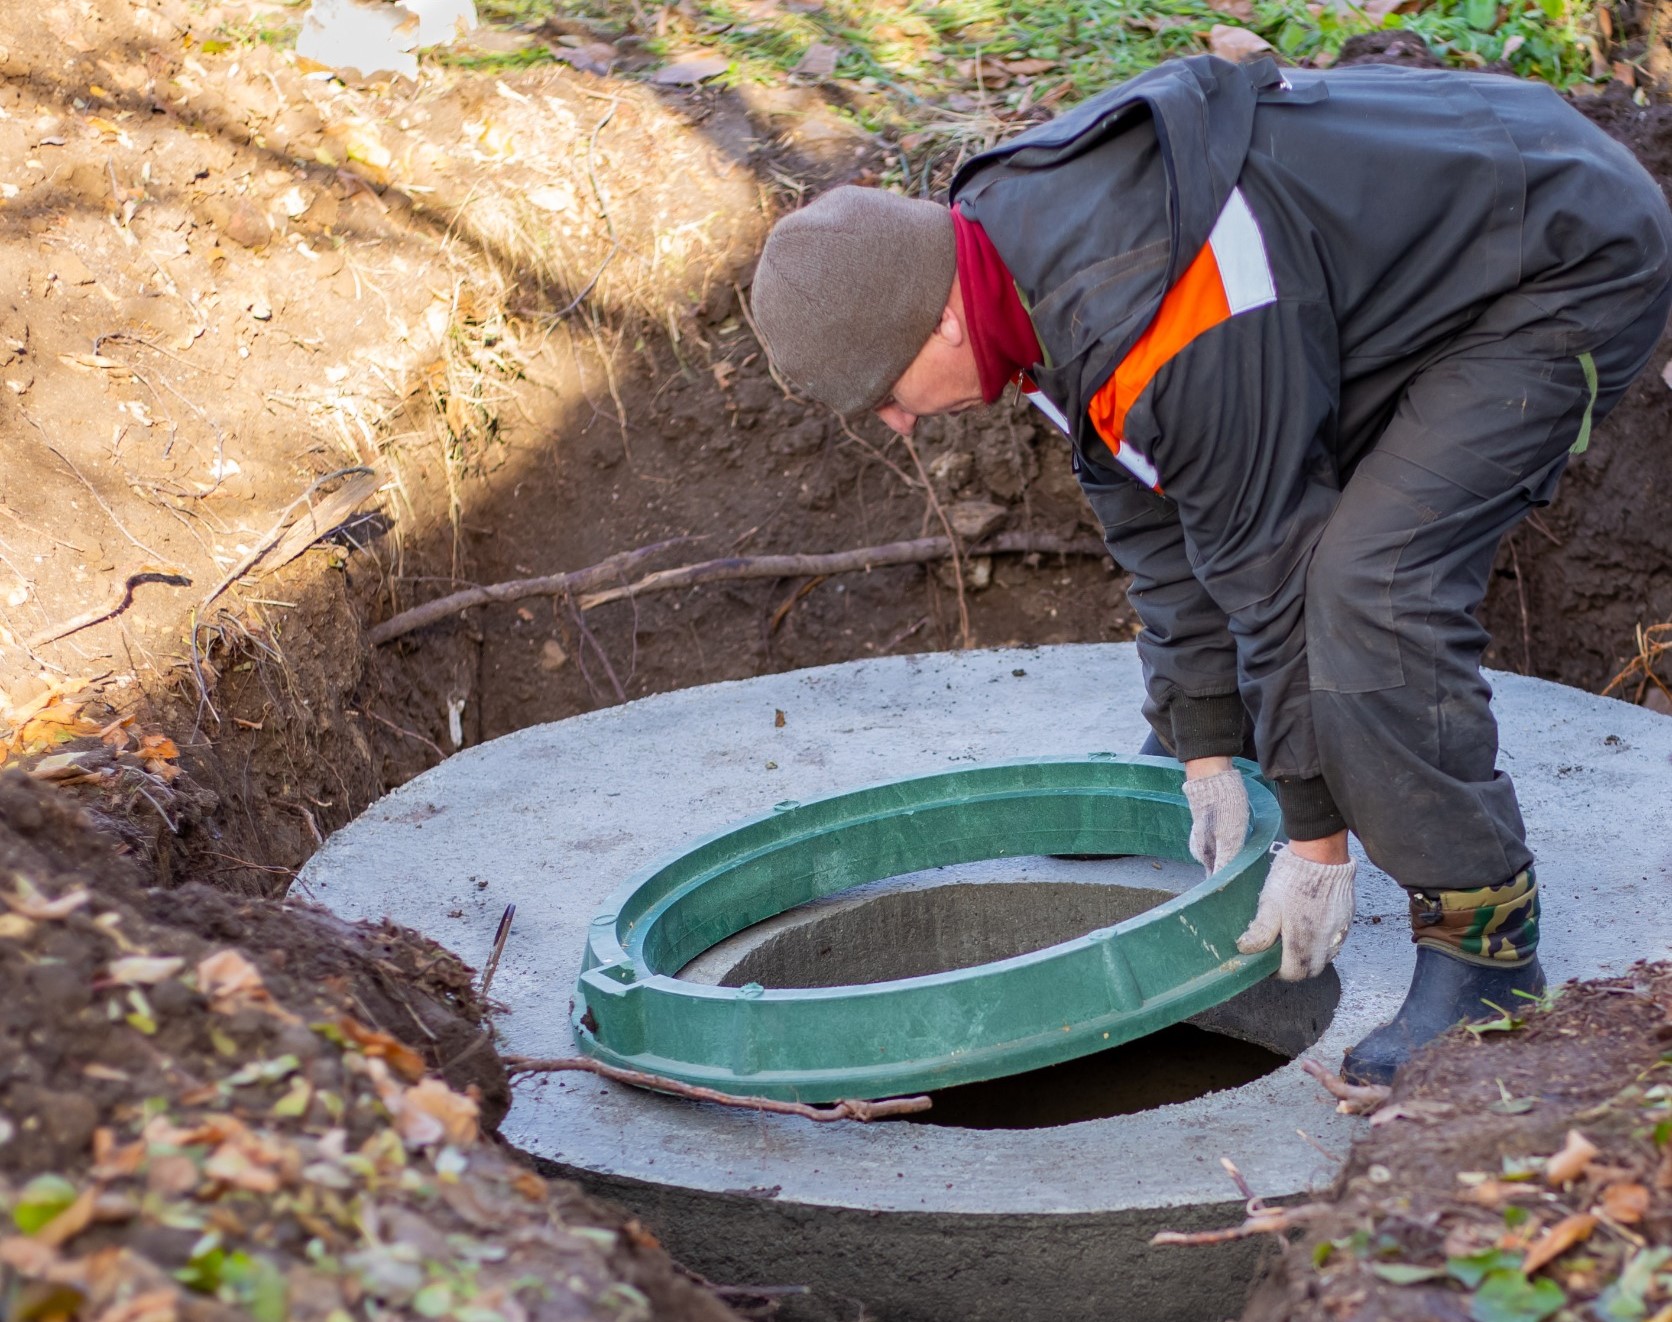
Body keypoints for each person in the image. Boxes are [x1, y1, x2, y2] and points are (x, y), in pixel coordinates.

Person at [749, 54, 1672, 1084]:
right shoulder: (1000, 251)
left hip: (1557, 259)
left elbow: (1270, 567)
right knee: (1267, 544)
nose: (897, 417)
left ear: (943, 318)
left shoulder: (1159, 308)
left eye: (887, 388)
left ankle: (1484, 950)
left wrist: (1315, 843)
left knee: (1368, 590)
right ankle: (1245, 736)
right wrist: (1203, 740)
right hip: (1419, 231)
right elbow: (1150, 505)